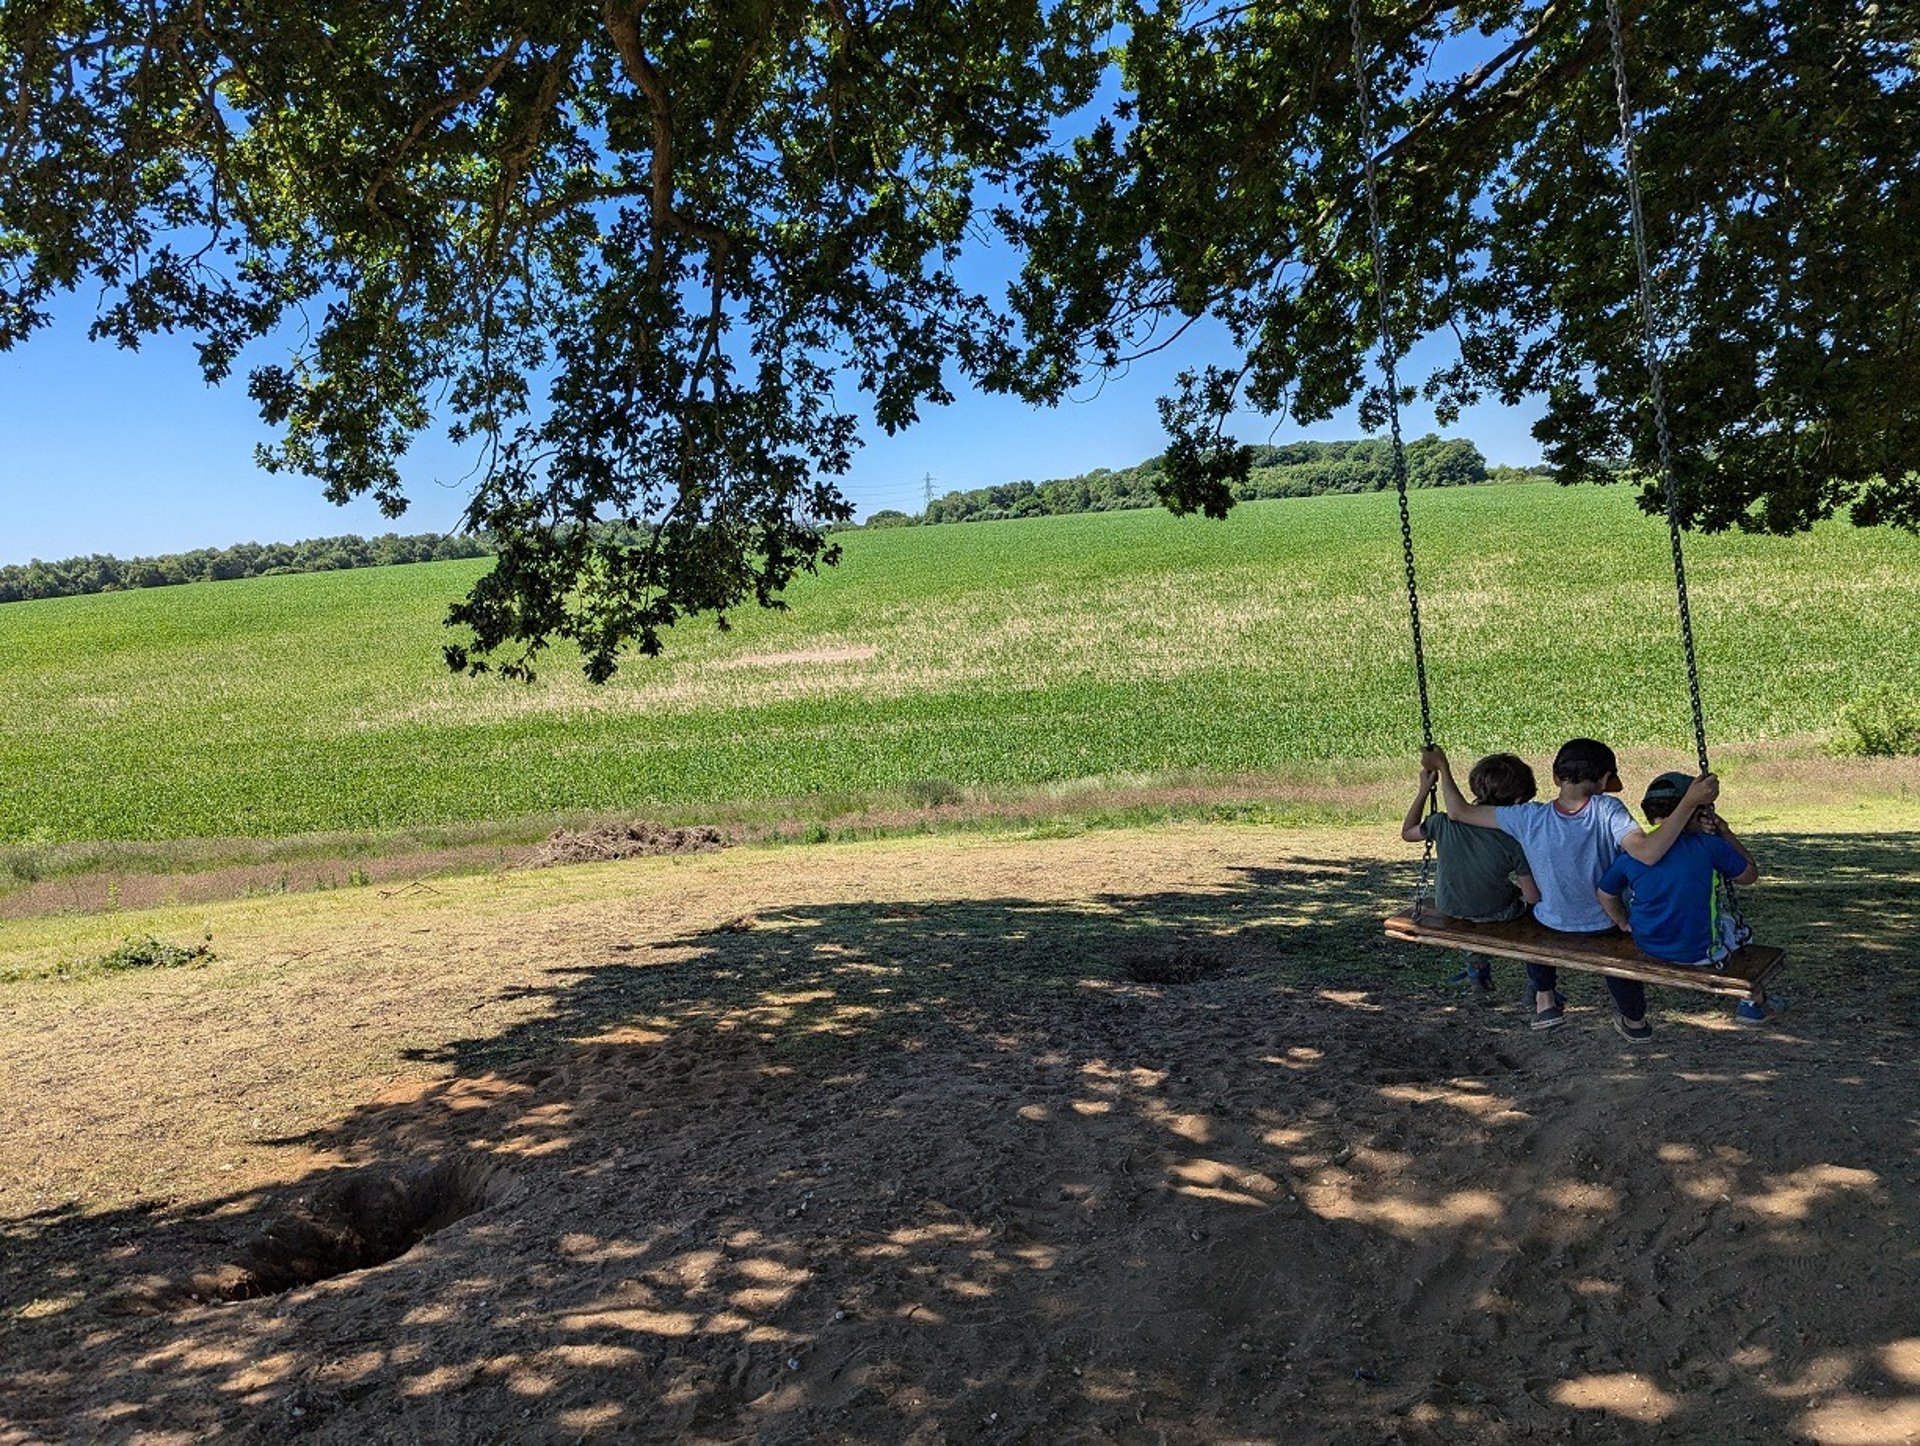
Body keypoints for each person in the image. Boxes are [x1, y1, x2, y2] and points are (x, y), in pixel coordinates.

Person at [1422, 739, 1717, 1033]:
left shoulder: (1527, 817)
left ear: (1555, 777)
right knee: (1621, 944)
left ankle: (1545, 1000)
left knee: (1532, 915)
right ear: (1605, 780)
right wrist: (1688, 803)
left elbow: (1459, 811)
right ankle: (1634, 1019)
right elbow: (1648, 852)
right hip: (1605, 924)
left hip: (1552, 923)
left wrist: (1443, 767)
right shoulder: (1608, 810)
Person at [1597, 771, 1764, 1035]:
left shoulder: (1633, 852)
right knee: (1740, 932)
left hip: (1647, 943)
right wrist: (1725, 831)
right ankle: (1751, 1004)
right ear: (1693, 813)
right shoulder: (1709, 845)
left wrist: (1622, 921)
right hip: (1699, 952)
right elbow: (1749, 874)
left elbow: (1606, 893)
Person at [1400, 753, 1541, 994]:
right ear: (1518, 801)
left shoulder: (1441, 823)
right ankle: (1539, 984)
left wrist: (1424, 790)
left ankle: (1477, 968)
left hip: (1449, 905)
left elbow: (1407, 833)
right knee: (1535, 917)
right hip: (1495, 911)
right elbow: (1532, 896)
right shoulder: (1512, 838)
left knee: (1477, 906)